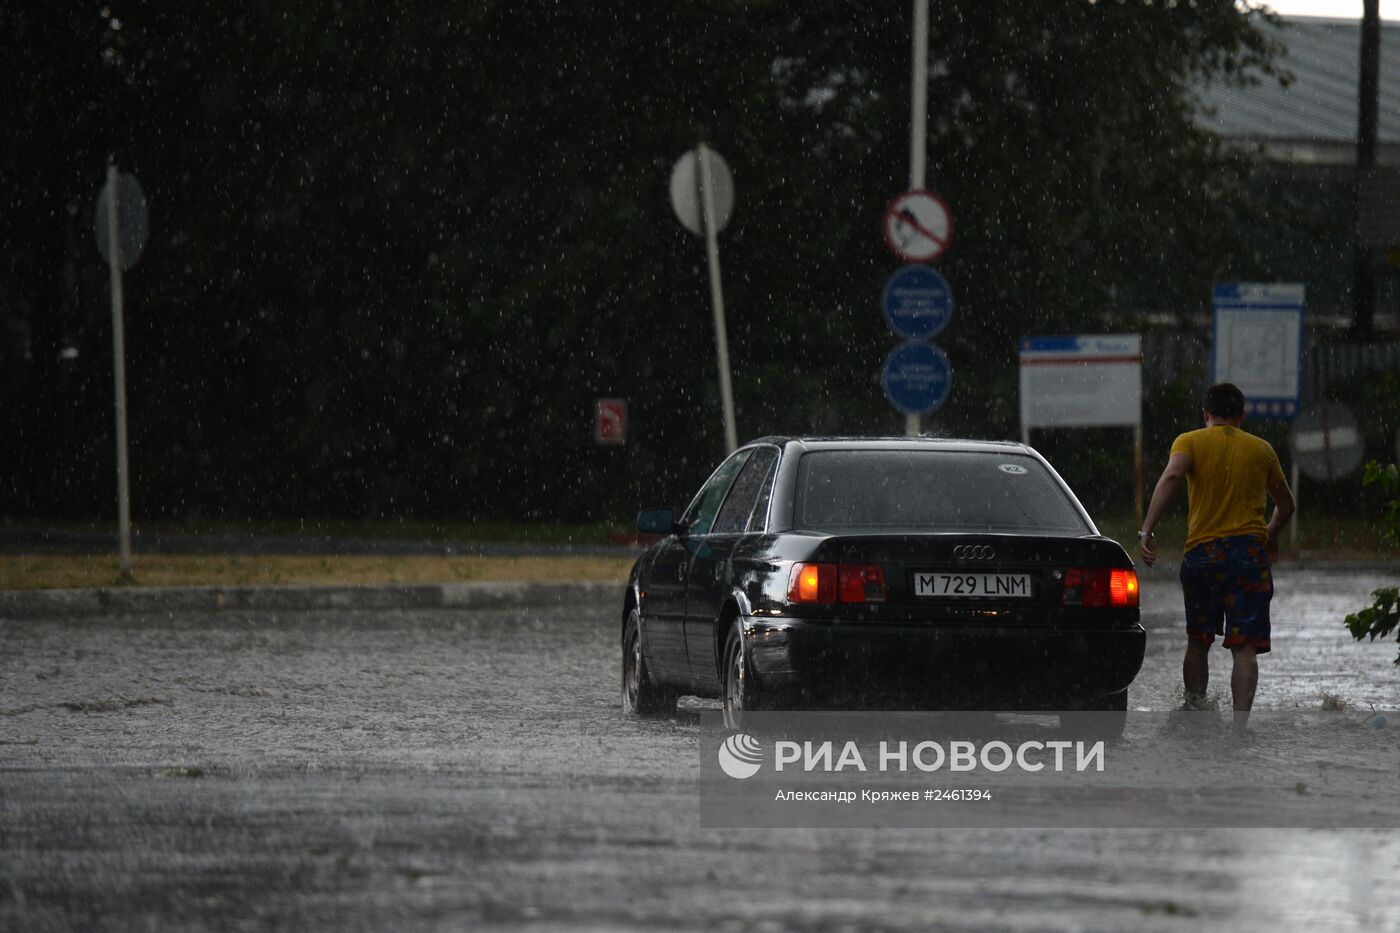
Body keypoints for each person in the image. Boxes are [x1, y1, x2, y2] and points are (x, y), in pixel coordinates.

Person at [1138, 383, 1295, 727]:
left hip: (1203, 554)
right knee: (1245, 647)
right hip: (1249, 558)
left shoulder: (1189, 441)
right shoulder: (1262, 450)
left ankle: (1195, 713)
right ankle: (1240, 728)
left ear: (1205, 413)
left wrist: (1147, 529)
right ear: (1242, 415)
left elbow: (1173, 475)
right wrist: (1269, 536)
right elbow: (1286, 506)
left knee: (1199, 640)